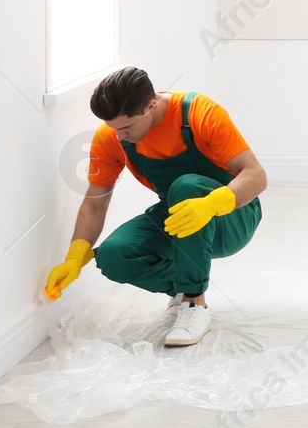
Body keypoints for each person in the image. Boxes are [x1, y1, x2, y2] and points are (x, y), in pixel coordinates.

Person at [43, 67, 267, 347]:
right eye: (114, 128)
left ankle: (195, 304)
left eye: (126, 127)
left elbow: (256, 175)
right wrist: (74, 255)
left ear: (151, 105)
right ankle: (183, 293)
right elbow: (95, 202)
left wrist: (212, 204)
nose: (120, 136)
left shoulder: (199, 113)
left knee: (186, 186)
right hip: (179, 218)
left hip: (233, 216)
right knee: (114, 255)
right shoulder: (113, 137)